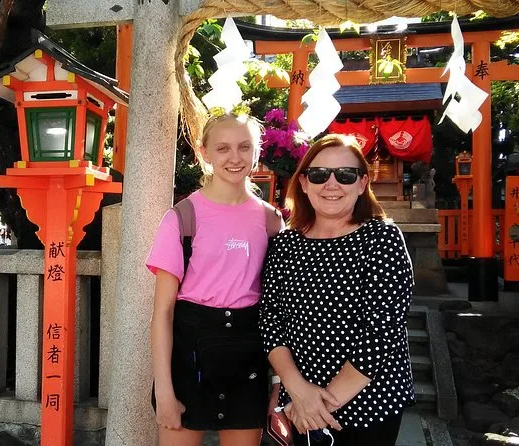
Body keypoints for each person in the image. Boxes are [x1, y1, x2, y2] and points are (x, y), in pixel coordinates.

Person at [260, 134, 415, 446]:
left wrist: (319, 407)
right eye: (319, 174)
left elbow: (382, 329)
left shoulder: (382, 239)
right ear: (304, 182)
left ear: (362, 183)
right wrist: (298, 390)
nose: (331, 184)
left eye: (345, 175)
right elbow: (270, 319)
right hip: (299, 400)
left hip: (368, 401)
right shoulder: (285, 245)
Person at [146, 112, 284, 446]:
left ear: (257, 152)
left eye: (244, 147)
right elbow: (163, 312)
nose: (234, 157)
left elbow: (279, 309)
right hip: (189, 356)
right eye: (223, 148)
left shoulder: (271, 221)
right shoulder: (182, 218)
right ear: (204, 152)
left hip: (248, 359)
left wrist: (279, 383)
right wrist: (164, 390)